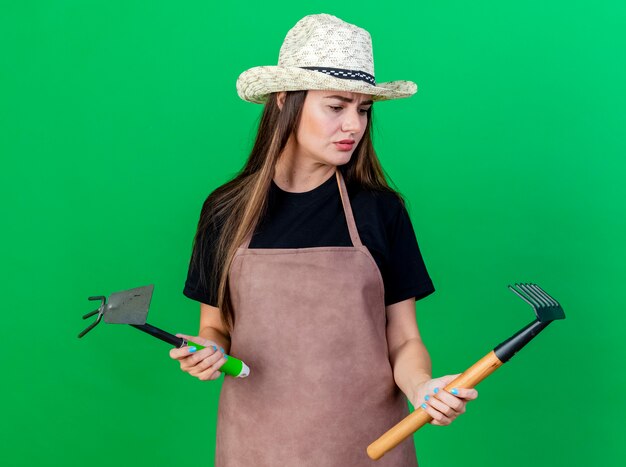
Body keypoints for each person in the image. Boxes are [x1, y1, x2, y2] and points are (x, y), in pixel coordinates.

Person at [170, 13, 478, 466]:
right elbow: (214, 327)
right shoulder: (225, 211)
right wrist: (210, 351)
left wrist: (422, 387)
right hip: (256, 446)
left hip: (371, 446)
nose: (353, 125)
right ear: (283, 101)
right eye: (336, 106)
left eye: (364, 109)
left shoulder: (381, 210)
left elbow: (404, 339)